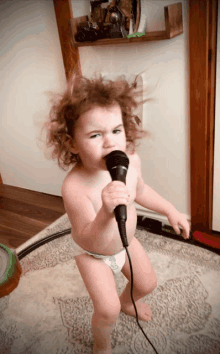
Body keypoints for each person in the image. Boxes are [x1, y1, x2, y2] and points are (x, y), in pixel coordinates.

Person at [44, 72, 190, 354]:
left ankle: (127, 302)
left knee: (147, 283)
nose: (110, 143)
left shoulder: (130, 162)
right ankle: (102, 344)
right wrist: (105, 213)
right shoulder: (74, 187)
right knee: (107, 310)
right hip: (93, 254)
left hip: (126, 241)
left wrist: (170, 209)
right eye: (96, 135)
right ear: (73, 143)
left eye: (116, 130)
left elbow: (142, 190)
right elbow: (87, 237)